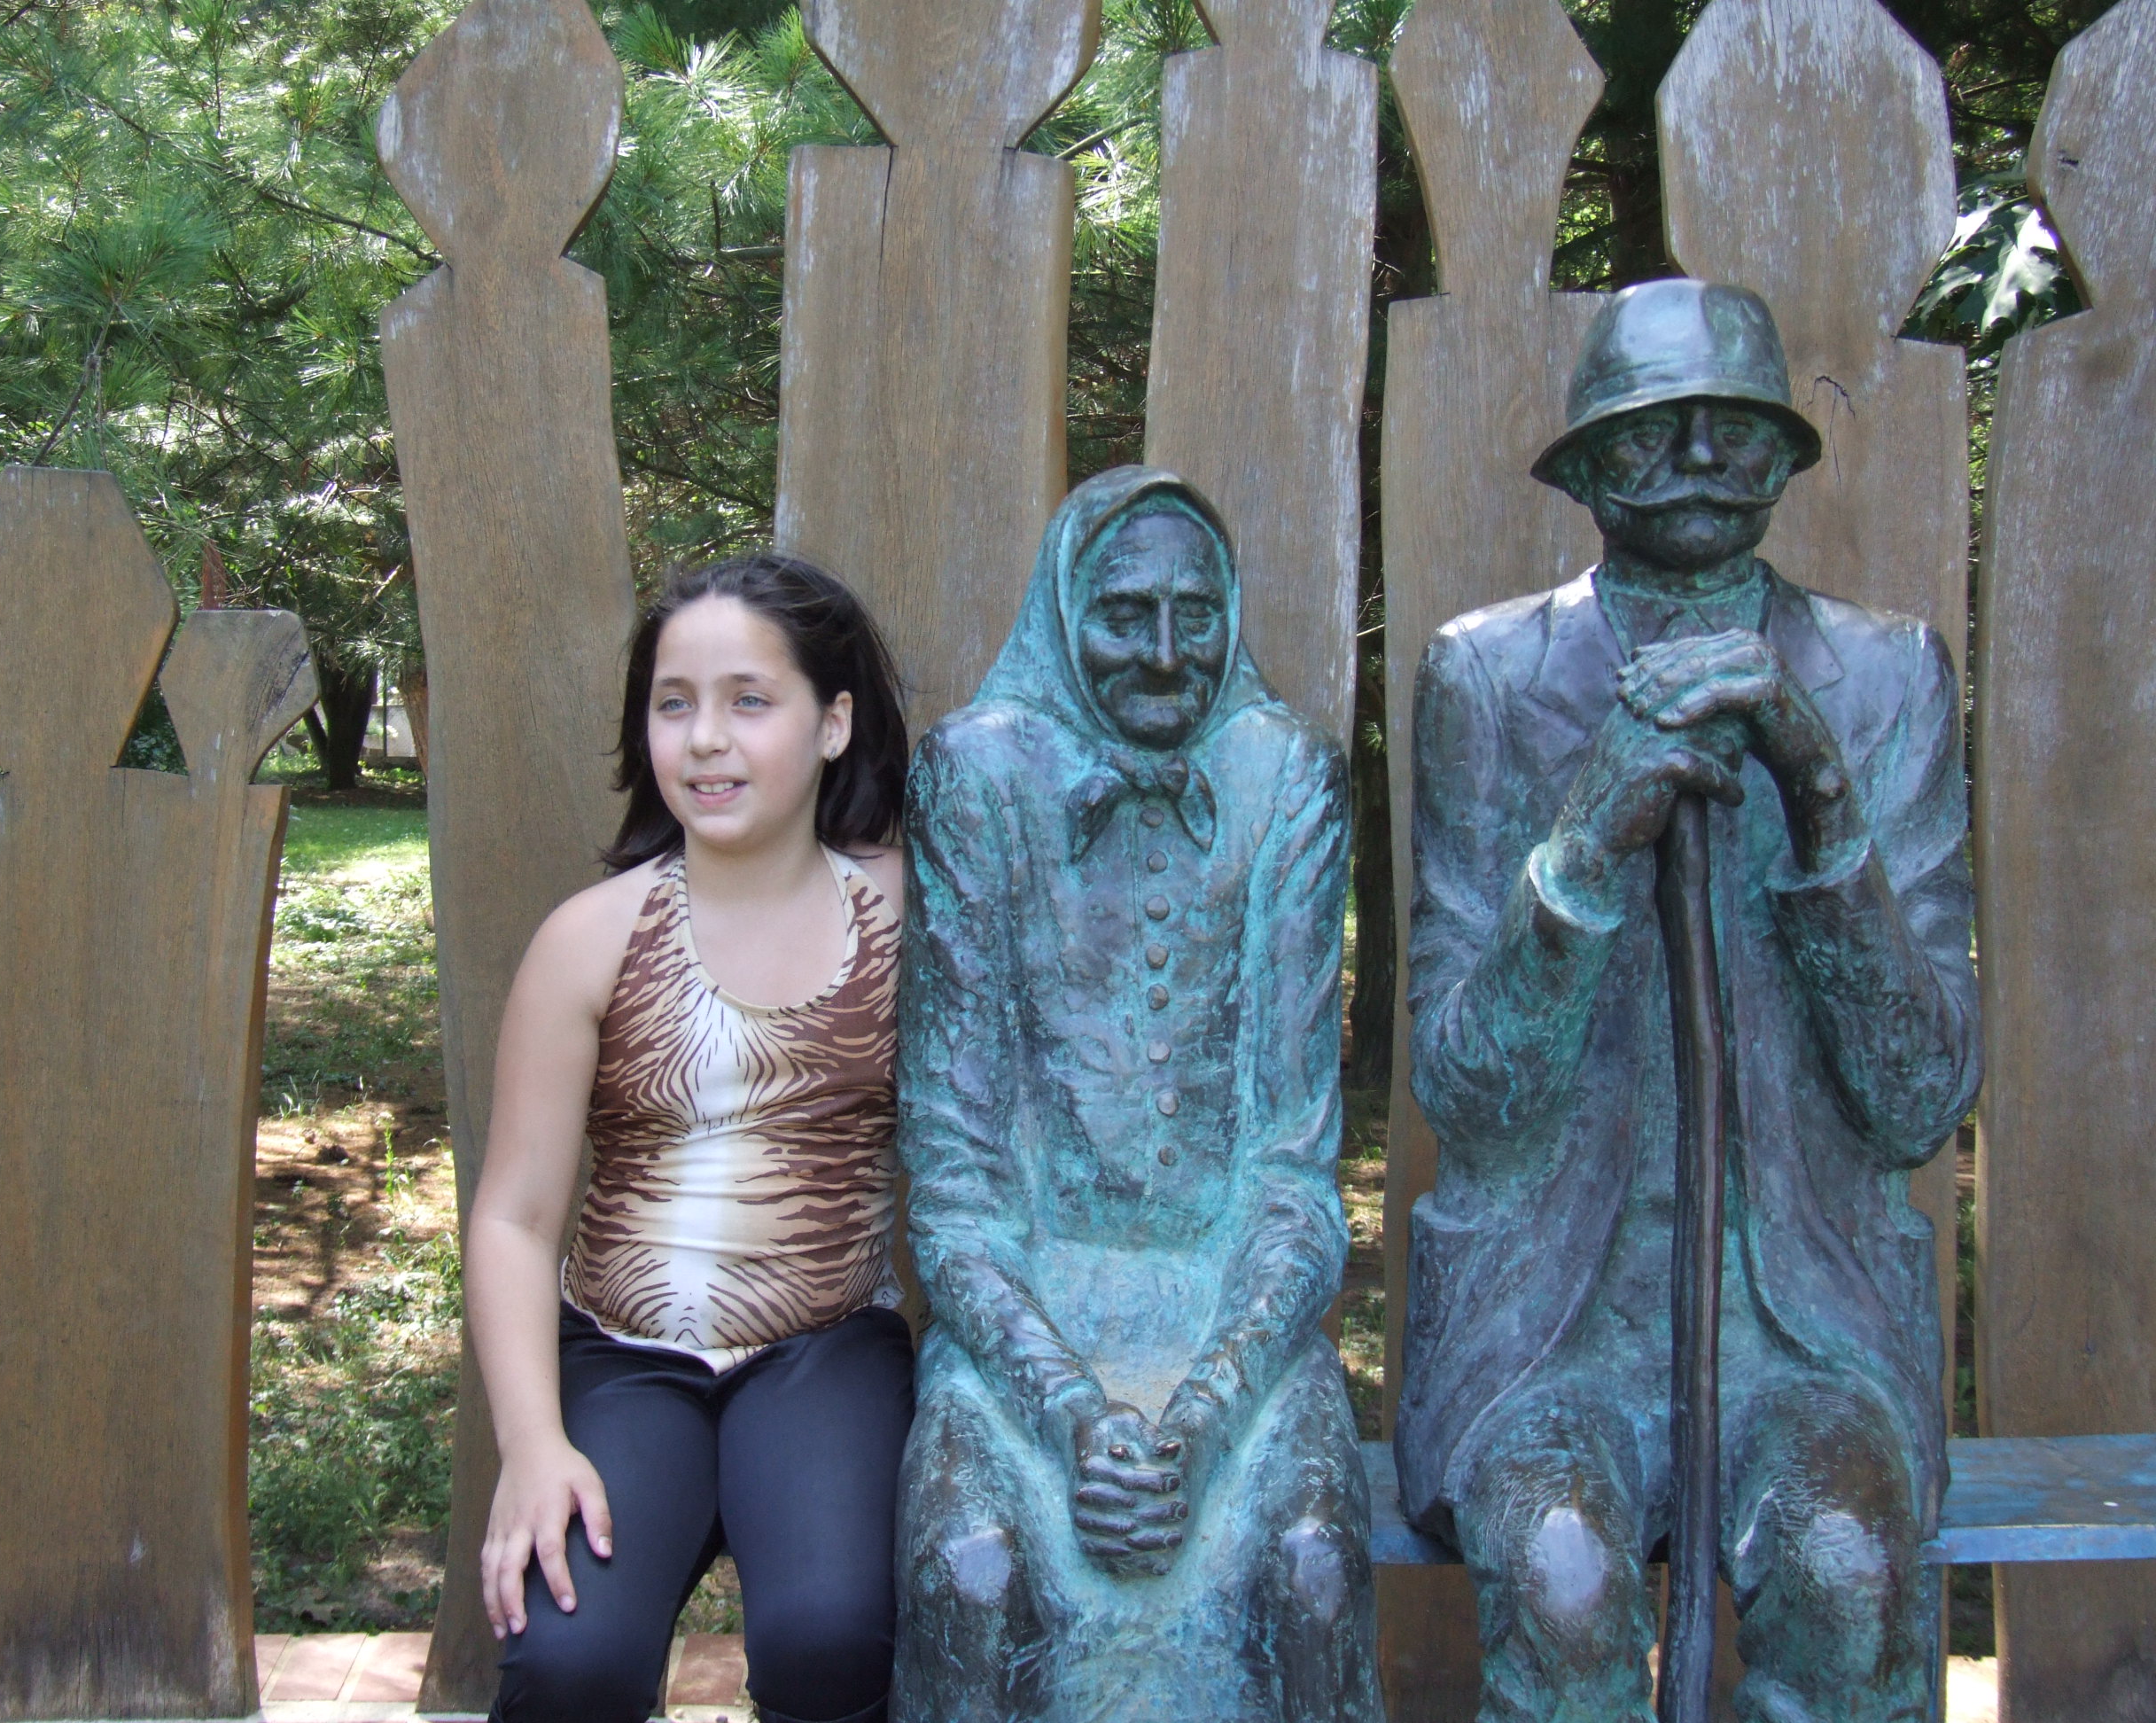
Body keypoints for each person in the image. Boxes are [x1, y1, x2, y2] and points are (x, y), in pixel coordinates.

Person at [1395, 280, 1981, 1722]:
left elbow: (1918, 1099)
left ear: (1787, 456)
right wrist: (1583, 849)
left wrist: (1821, 793)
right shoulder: (1489, 676)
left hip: (1811, 1326)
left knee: (1848, 1572)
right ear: (1587, 467)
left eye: (1738, 427)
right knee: (1564, 1579)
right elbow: (1467, 1090)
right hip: (1550, 1324)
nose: (1704, 459)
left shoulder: (1886, 676)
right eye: (1656, 431)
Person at [894, 467, 1382, 1723]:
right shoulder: (974, 778)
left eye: (1196, 614)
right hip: (1026, 1323)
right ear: (1067, 614)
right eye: (1125, 615)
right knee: (972, 1572)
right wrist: (1069, 1411)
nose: (1167, 654)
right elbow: (955, 1191)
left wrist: (1207, 1412)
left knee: (1313, 1570)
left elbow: (1292, 1178)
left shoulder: (1287, 778)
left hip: (1234, 1324)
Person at [465, 552, 915, 1723]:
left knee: (831, 1636)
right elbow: (514, 1218)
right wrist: (534, 1446)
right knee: (571, 1663)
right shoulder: (593, 939)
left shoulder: (905, 918)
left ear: (833, 724)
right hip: (625, 1358)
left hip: (824, 1350)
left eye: (749, 700)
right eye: (675, 704)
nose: (707, 738)